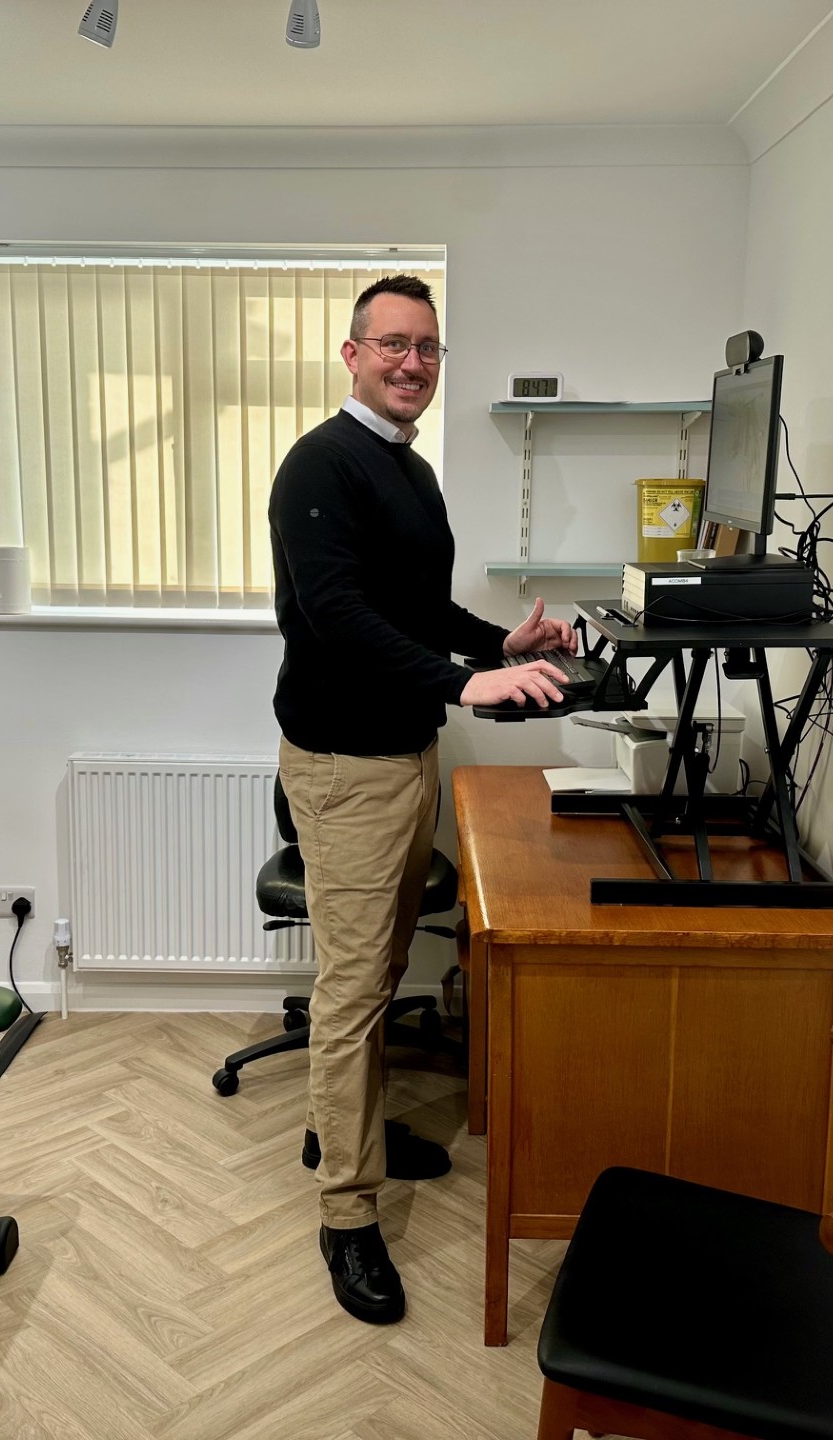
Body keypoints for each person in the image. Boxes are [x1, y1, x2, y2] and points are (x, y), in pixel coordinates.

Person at [268, 274, 575, 1325]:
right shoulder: (321, 463)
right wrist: (463, 682)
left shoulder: (409, 467)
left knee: (389, 960)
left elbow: (410, 607)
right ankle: (346, 1213)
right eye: (393, 345)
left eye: (429, 349)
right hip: (347, 764)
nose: (413, 363)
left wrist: (499, 645)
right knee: (354, 993)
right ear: (350, 354)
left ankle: (340, 1120)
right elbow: (340, 612)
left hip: (402, 754)